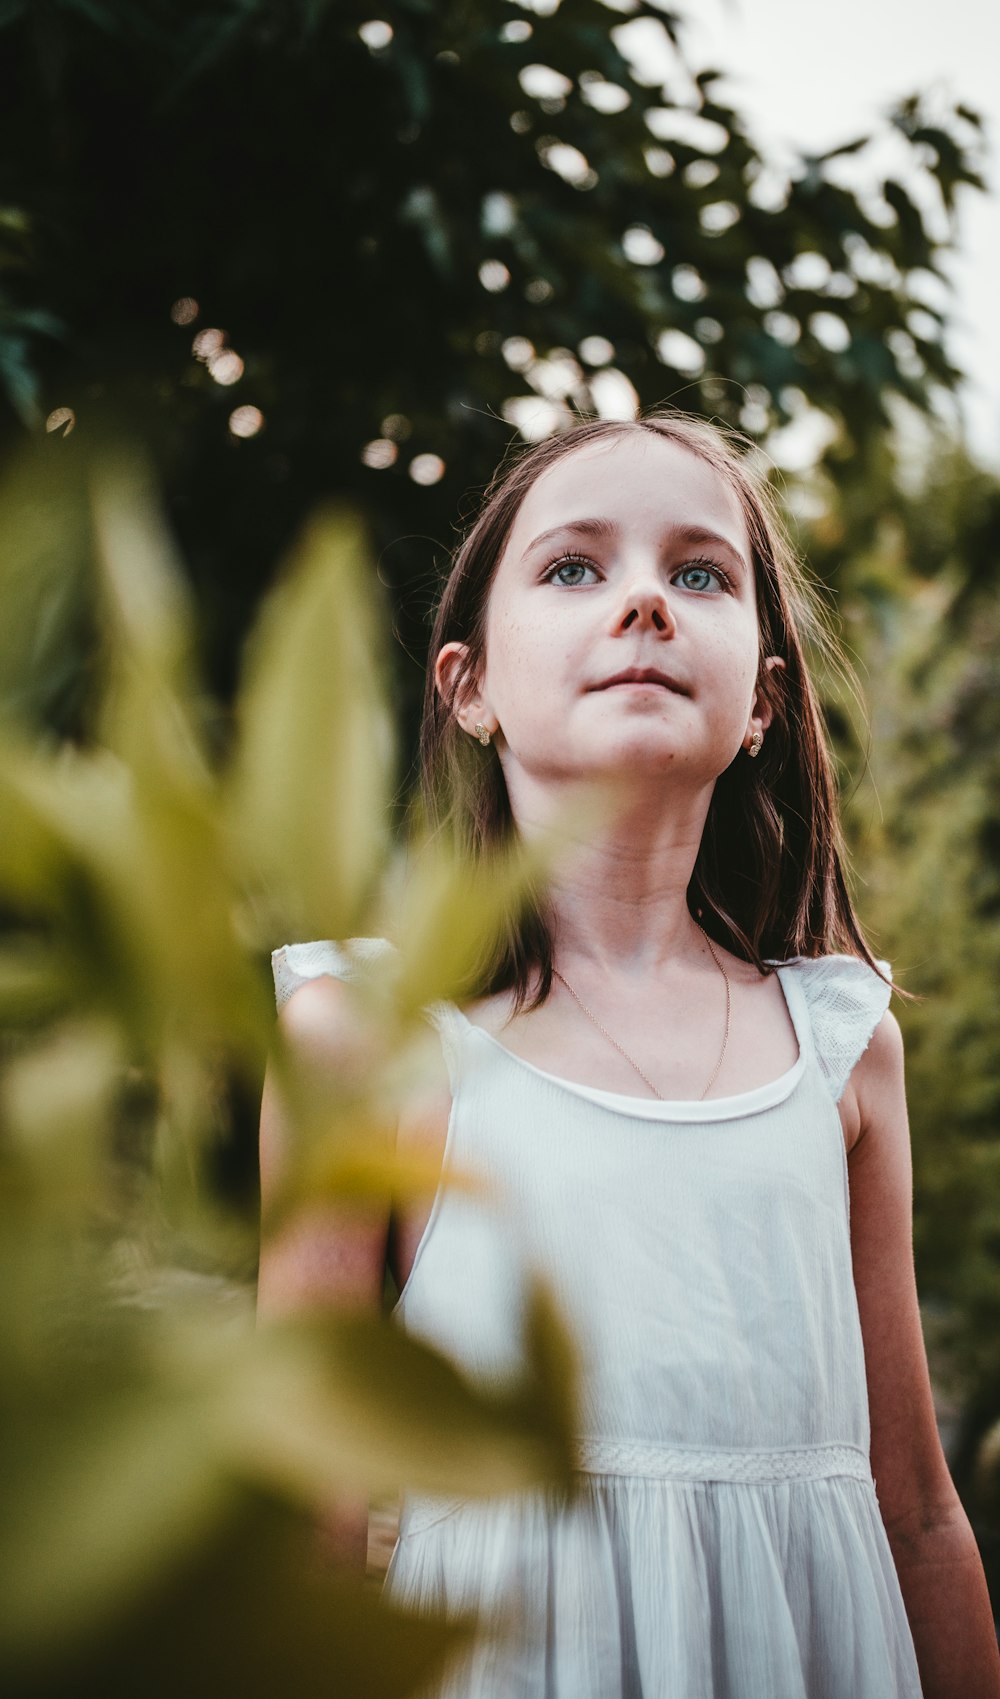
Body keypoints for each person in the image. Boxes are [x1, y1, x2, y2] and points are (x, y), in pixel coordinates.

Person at [259, 412, 1000, 1698]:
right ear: (469, 686)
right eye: (574, 568)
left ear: (763, 697)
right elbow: (302, 1510)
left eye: (701, 572)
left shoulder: (840, 1051)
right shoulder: (369, 1041)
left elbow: (918, 1512)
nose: (647, 601)